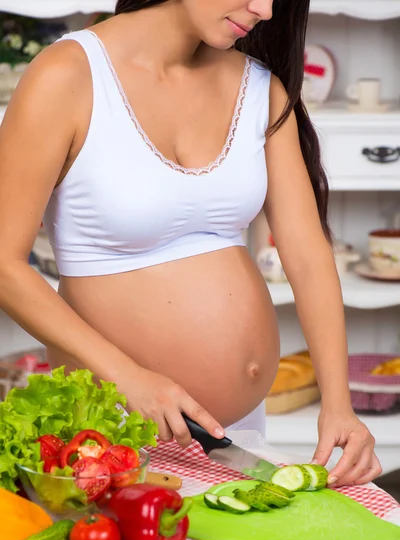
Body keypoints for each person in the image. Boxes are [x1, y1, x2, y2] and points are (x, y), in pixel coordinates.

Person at [0, 0, 381, 487]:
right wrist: (129, 378)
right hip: (111, 431)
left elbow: (307, 255)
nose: (265, 9)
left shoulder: (260, 88)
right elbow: (7, 265)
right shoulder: (67, 76)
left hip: (237, 435)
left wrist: (339, 405)